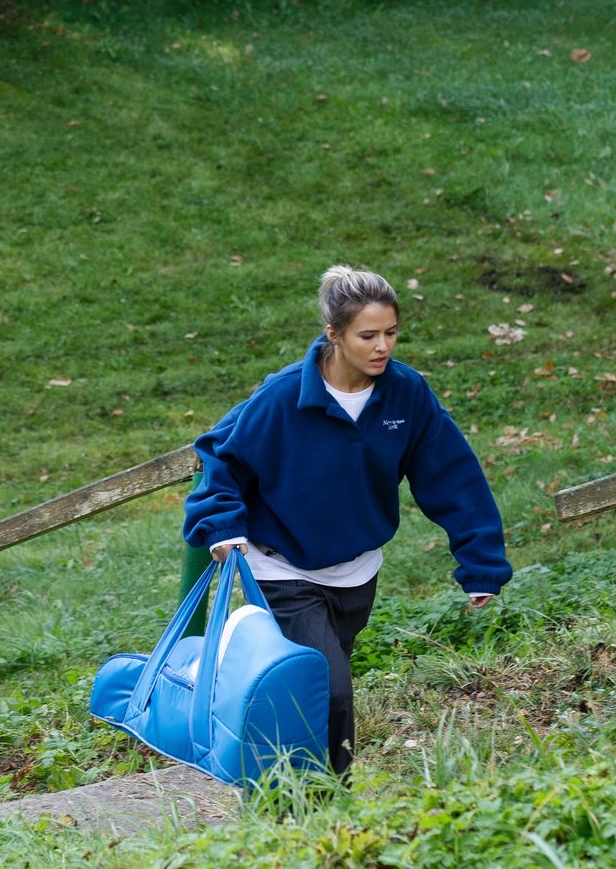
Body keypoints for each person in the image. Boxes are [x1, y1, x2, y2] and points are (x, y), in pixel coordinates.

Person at [182, 264, 512, 777]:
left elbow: (452, 477)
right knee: (328, 686)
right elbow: (221, 454)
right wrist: (222, 524)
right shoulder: (284, 395)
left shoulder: (406, 394)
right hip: (282, 569)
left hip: (356, 572)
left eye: (391, 333)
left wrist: (481, 561)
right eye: (368, 335)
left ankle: (279, 788)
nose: (383, 347)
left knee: (307, 689)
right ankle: (330, 807)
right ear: (333, 335)